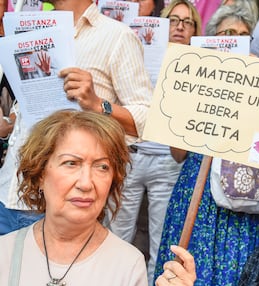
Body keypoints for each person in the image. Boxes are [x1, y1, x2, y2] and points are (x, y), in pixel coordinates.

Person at [0, 110, 196, 286]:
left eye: (102, 167)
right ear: (40, 173)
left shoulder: (128, 265)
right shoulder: (5, 252)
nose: (86, 183)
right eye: (71, 163)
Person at [0, 0, 153, 234]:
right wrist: (11, 122)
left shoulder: (116, 36)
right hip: (8, 189)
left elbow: (147, 118)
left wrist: (96, 103)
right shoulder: (33, 28)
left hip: (55, 205)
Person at [151, 4, 259, 286]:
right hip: (195, 194)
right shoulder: (193, 76)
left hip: (239, 198)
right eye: (228, 34)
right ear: (211, 39)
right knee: (185, 274)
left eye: (243, 35)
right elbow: (177, 154)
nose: (236, 40)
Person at [105, 0, 201, 286]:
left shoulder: (200, 63)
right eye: (173, 20)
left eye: (187, 22)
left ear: (196, 30)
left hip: (169, 162)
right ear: (162, 24)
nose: (180, 26)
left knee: (161, 245)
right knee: (117, 235)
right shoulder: (138, 51)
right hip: (130, 155)